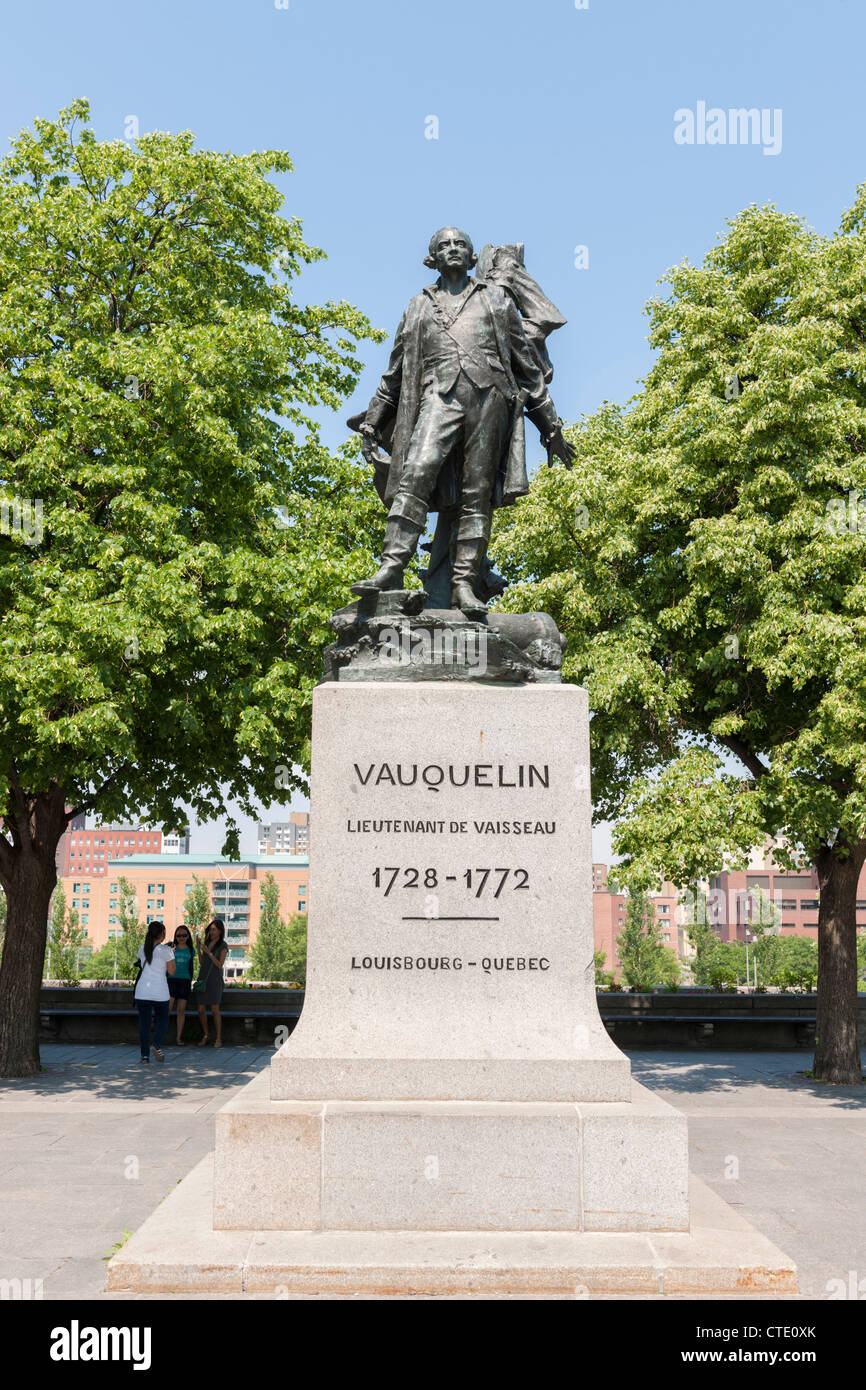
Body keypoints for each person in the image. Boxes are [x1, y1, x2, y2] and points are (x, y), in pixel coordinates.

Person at [348, 227, 575, 617]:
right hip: (438, 395)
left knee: (477, 494)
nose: (452, 249)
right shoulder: (417, 306)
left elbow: (527, 369)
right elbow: (395, 373)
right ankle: (391, 566)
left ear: (473, 258)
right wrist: (372, 422)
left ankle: (464, 584)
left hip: (490, 401)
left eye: (460, 245)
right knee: (416, 472)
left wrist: (551, 428)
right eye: (444, 245)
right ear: (431, 259)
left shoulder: (497, 300)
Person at [134, 921, 175, 1064]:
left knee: (144, 1024)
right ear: (162, 934)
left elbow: (142, 962)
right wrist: (170, 955)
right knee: (163, 1020)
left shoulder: (142, 948)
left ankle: (144, 1057)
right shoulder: (166, 950)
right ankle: (156, 1045)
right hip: (160, 992)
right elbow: (171, 971)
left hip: (142, 991)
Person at [195, 919, 228, 1049]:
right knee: (200, 1009)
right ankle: (206, 1035)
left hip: (214, 981)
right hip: (204, 979)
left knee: (215, 1009)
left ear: (220, 931)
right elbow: (202, 962)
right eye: (210, 929)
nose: (211, 932)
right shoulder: (207, 943)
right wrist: (199, 948)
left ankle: (219, 1038)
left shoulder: (223, 945)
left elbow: (220, 965)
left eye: (214, 929)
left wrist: (208, 952)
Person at [168, 924, 195, 1046]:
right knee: (167, 1008)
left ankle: (178, 1038)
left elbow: (192, 966)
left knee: (181, 1010)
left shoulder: (191, 950)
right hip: (171, 980)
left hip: (185, 981)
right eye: (178, 935)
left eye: (184, 935)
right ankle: (160, 1035)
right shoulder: (171, 948)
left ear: (188, 936)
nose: (181, 937)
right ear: (175, 937)